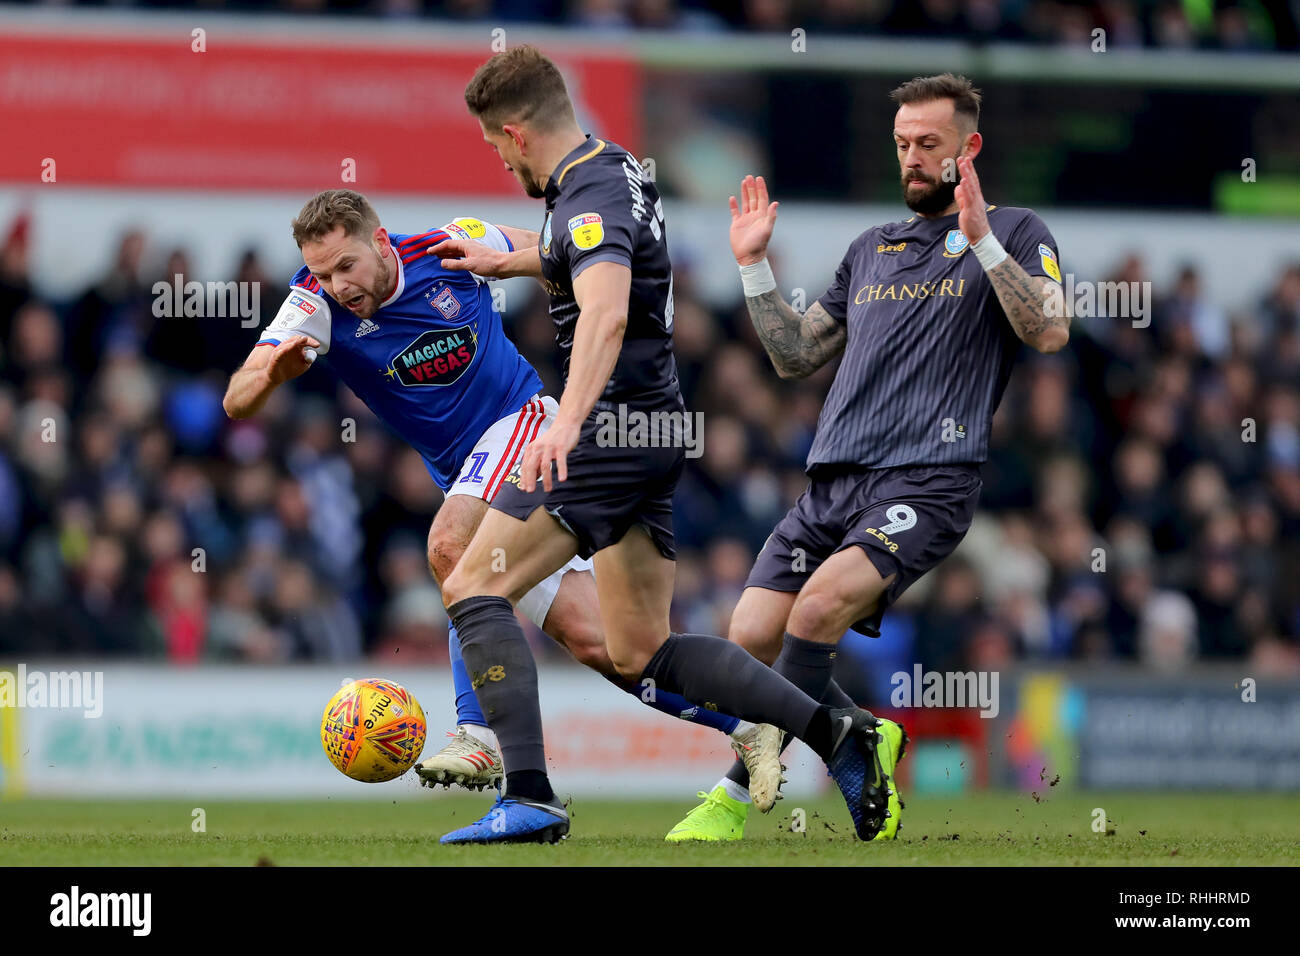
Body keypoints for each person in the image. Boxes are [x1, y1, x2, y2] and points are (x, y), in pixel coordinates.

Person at [432, 45, 892, 845]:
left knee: (473, 581)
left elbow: (607, 312)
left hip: (605, 430)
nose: (499, 163)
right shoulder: (617, 172)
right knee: (641, 645)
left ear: (514, 132)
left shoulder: (589, 193)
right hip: (653, 428)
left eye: (493, 147)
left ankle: (530, 792)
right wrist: (509, 259)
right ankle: (835, 734)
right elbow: (602, 271)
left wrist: (568, 424)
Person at [221, 189, 759, 792]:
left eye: (346, 265)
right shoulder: (313, 303)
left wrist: (520, 265)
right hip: (471, 476)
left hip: (526, 424)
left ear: (379, 241)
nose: (338, 283)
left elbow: (549, 250)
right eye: (323, 272)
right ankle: (753, 725)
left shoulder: (447, 245)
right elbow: (236, 398)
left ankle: (477, 735)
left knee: (450, 547)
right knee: (603, 645)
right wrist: (272, 372)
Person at [666, 73, 1071, 842]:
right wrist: (755, 268)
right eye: (902, 145)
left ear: (969, 148)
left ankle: (728, 801)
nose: (912, 159)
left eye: (928, 145)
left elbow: (1049, 329)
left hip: (930, 478)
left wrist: (982, 240)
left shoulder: (1018, 230)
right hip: (832, 481)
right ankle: (860, 732)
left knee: (816, 612)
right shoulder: (870, 249)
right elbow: (792, 355)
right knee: (750, 636)